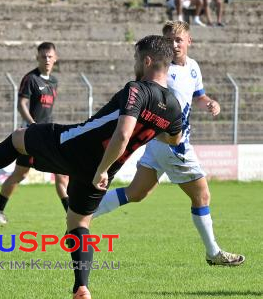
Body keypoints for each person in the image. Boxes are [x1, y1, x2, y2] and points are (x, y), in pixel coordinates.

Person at [0, 35, 183, 299]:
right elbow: (174, 139)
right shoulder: (173, 107)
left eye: (137, 58)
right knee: (78, 224)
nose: (135, 63)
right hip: (106, 169)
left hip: (77, 146)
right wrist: (108, 166)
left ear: (147, 61)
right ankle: (82, 288)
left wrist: (102, 167)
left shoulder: (137, 89)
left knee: (19, 139)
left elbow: (123, 134)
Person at [93, 21, 244, 266]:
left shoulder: (193, 67)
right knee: (202, 196)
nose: (174, 45)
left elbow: (198, 95)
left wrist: (209, 102)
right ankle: (213, 252)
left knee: (136, 193)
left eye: (178, 40)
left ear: (189, 41)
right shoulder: (163, 72)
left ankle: (83, 213)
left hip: (158, 144)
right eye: (169, 40)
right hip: (174, 144)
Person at [0, 42, 69, 225]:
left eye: (50, 56)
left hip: (49, 135)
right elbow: (21, 104)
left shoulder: (54, 81)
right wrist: (32, 124)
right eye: (43, 56)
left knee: (62, 173)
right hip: (32, 136)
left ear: (55, 58)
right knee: (20, 174)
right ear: (37, 57)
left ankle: (71, 213)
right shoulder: (30, 79)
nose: (47, 60)